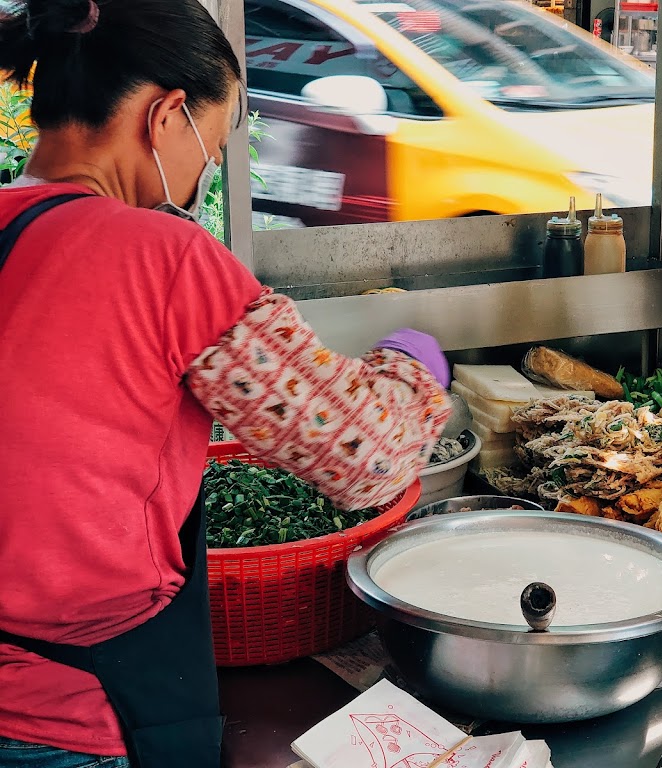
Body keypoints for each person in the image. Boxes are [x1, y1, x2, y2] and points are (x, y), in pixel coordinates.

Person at [0, 1, 452, 766]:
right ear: (166, 116)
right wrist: (414, 365)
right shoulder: (158, 254)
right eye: (214, 139)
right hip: (73, 721)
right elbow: (363, 454)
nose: (207, 166)